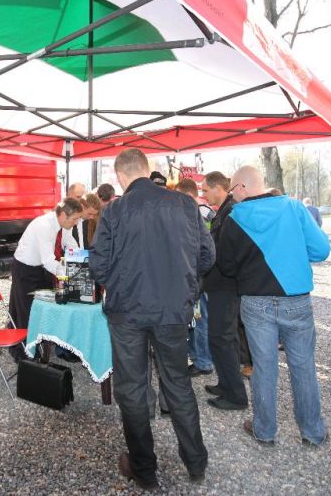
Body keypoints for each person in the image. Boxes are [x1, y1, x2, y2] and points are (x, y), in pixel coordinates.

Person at [90, 148, 214, 490]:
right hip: (172, 310)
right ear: (147, 169)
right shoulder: (186, 204)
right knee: (177, 383)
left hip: (128, 312)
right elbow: (206, 255)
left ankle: (144, 471)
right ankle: (196, 463)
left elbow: (98, 267)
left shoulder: (113, 210)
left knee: (131, 388)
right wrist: (185, 283)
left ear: (120, 176)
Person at [217, 166, 329, 448]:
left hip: (255, 300)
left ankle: (264, 430)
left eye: (232, 191)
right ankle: (313, 432)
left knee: (264, 367)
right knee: (303, 366)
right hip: (296, 298)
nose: (232, 197)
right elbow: (321, 250)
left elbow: (227, 266)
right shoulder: (293, 208)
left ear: (241, 187)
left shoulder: (234, 219)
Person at [8, 198, 83, 361]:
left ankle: (46, 342)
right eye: (75, 218)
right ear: (63, 214)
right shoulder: (44, 226)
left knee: (49, 303)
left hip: (40, 269)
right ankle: (23, 354)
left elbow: (71, 244)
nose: (76, 223)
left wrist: (81, 260)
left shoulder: (64, 225)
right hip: (25, 269)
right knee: (26, 311)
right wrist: (72, 273)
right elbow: (48, 261)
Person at [200, 171, 249, 411]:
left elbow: (224, 252)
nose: (203, 194)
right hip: (220, 285)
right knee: (220, 338)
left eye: (205, 189)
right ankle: (226, 383)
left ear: (220, 188)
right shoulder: (225, 210)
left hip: (226, 286)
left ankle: (236, 395)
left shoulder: (231, 212)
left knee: (222, 338)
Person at [175, 178, 215, 377]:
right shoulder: (201, 212)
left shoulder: (201, 214)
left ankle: (204, 361)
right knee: (195, 321)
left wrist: (196, 273)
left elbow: (207, 250)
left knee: (200, 322)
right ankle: (197, 356)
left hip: (197, 281)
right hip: (194, 279)